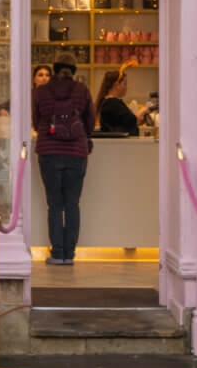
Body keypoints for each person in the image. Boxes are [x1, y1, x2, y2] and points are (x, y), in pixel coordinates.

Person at [33, 52, 95, 266]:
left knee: (54, 205)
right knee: (72, 204)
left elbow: (35, 120)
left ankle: (57, 253)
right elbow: (91, 122)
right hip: (76, 154)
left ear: (54, 68)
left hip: (49, 152)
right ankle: (70, 254)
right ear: (74, 70)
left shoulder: (41, 92)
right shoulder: (82, 91)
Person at [94, 68, 148, 136]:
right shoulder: (112, 103)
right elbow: (132, 120)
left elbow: (125, 123)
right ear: (117, 85)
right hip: (119, 145)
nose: (126, 87)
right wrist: (144, 109)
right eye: (125, 84)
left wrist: (138, 121)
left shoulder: (111, 102)